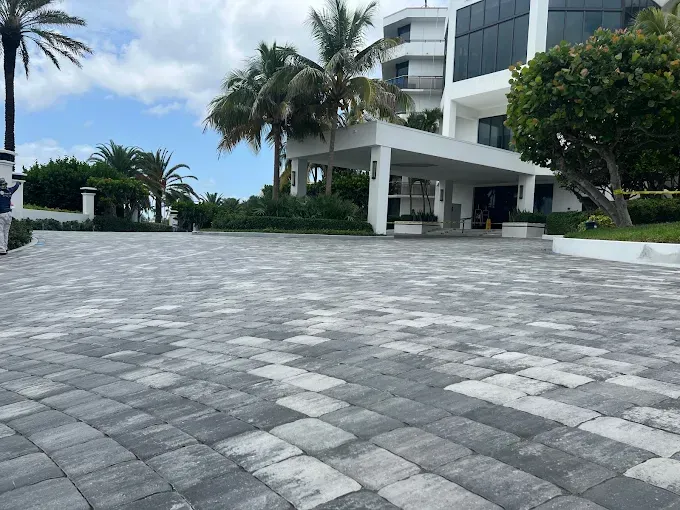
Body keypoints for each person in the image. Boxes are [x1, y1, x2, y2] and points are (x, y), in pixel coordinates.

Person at [0, 177, 22, 255]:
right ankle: (5, 247)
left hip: (1, 214)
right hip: (9, 214)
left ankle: (1, 249)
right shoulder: (9, 191)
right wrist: (18, 182)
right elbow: (15, 186)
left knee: (0, 232)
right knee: (6, 232)